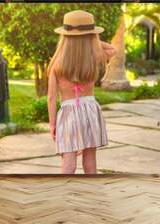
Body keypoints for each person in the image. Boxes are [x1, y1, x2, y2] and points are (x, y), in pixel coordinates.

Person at [47, 10, 116, 174]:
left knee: (68, 162)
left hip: (68, 113)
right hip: (91, 110)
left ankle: (65, 194)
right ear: (91, 35)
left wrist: (52, 124)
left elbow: (51, 97)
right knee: (90, 160)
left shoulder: (56, 64)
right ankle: (90, 194)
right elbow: (112, 49)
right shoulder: (95, 56)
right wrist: (90, 40)